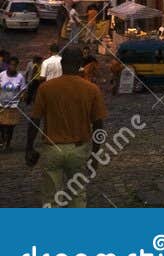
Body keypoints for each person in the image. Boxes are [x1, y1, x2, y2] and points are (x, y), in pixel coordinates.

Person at [24, 48, 107, 207]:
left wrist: (29, 147)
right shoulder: (91, 89)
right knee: (77, 196)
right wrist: (95, 154)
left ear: (62, 63)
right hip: (78, 149)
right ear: (80, 65)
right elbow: (98, 125)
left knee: (50, 197)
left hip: (52, 148)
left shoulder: (46, 88)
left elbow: (34, 120)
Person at [0, 56, 27, 151]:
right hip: (2, 105)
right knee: (2, 125)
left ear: (17, 66)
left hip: (14, 106)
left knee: (11, 126)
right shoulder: (2, 75)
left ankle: (8, 143)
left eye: (15, 65)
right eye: (11, 65)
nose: (13, 67)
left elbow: (23, 89)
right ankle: (3, 140)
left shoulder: (20, 77)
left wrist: (22, 95)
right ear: (8, 65)